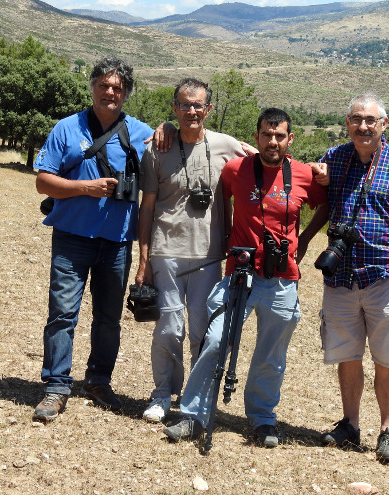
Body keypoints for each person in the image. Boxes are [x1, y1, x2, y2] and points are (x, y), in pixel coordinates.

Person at [163, 108, 328, 448]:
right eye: (266, 135)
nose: (272, 141)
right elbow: (220, 198)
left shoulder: (303, 175)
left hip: (283, 279)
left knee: (271, 354)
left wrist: (307, 238)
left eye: (279, 135)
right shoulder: (235, 169)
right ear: (256, 138)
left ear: (290, 139)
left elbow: (325, 204)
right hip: (239, 274)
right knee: (216, 340)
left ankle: (262, 419)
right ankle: (194, 415)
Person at [301, 93, 389, 464]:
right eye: (356, 119)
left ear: (383, 124)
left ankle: (388, 429)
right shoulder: (334, 159)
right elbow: (310, 191)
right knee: (347, 354)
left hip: (387, 277)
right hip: (340, 276)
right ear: (347, 123)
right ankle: (350, 424)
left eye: (370, 120)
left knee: (387, 358)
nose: (363, 126)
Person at [32, 57, 161, 421]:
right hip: (72, 238)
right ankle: (56, 386)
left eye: (118, 88)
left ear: (126, 94)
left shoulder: (140, 132)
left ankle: (98, 381)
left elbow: (175, 141)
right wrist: (85, 188)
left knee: (108, 318)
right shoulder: (66, 129)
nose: (110, 92)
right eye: (104, 85)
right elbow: (43, 181)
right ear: (92, 87)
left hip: (118, 242)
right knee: (62, 314)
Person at [135, 78, 255, 423]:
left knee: (203, 329)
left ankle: (197, 397)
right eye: (184, 105)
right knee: (169, 328)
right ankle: (162, 394)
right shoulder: (156, 149)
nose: (191, 111)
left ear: (208, 109)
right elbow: (147, 208)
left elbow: (267, 160)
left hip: (209, 256)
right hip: (166, 252)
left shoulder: (226, 145)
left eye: (198, 105)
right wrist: (143, 260)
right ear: (174, 108)